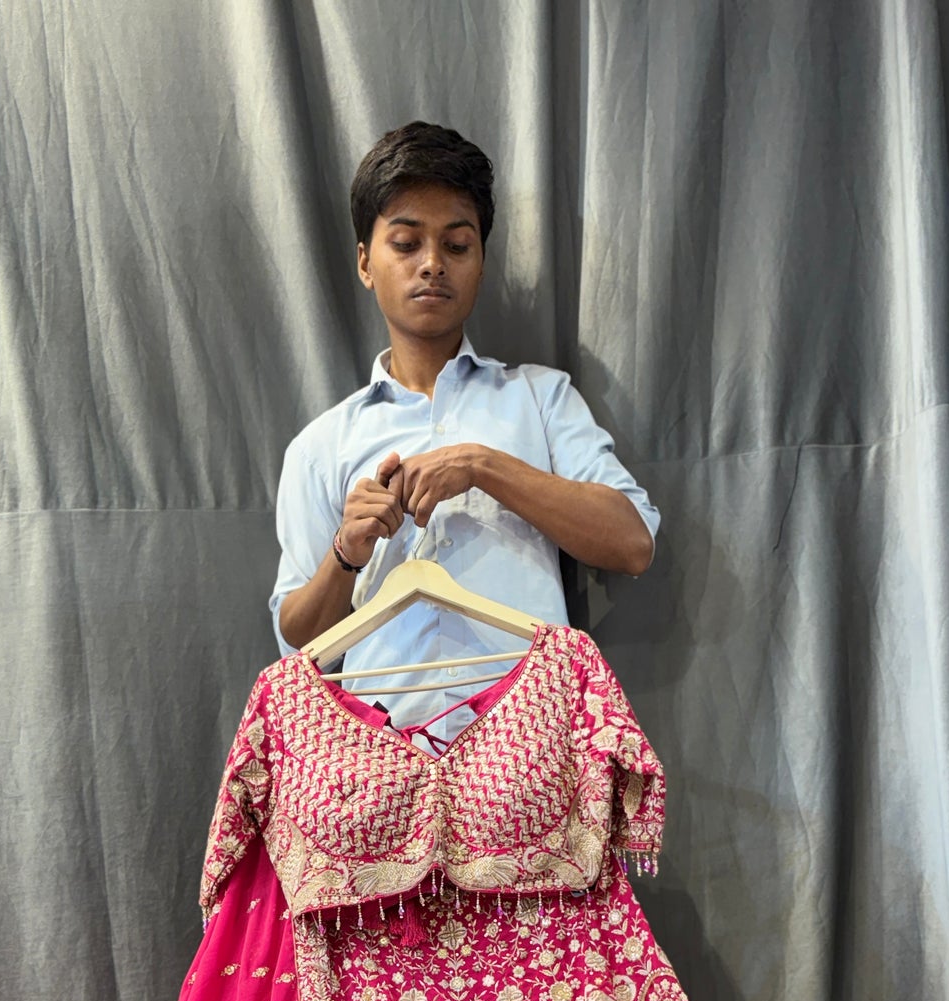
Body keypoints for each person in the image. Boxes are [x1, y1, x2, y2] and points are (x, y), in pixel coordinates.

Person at [269, 120, 660, 742]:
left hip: (529, 753)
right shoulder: (321, 446)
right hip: (378, 763)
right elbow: (299, 640)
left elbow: (631, 544)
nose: (432, 264)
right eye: (406, 243)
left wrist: (482, 465)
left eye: (457, 245)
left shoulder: (541, 398)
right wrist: (347, 551)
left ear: (480, 265)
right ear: (367, 263)